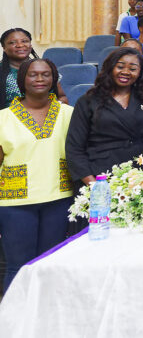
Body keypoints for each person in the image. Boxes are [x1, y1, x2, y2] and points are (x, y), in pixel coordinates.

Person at [0, 58, 74, 291]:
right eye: (33, 74)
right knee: (19, 267)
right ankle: (13, 325)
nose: (40, 79)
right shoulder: (3, 117)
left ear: (54, 79)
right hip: (15, 202)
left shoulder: (69, 114)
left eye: (46, 74)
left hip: (59, 198)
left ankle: (46, 323)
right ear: (22, 80)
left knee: (50, 265)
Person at [65, 48, 143, 186]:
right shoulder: (89, 100)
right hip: (98, 176)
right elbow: (74, 148)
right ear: (110, 68)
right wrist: (93, 184)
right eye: (120, 66)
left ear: (140, 73)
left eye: (133, 69)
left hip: (136, 178)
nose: (125, 72)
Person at [2, 28, 67, 108]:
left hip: (47, 116)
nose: (20, 45)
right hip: (8, 118)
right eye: (12, 42)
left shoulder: (45, 68)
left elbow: (62, 97)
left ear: (30, 45)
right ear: (4, 47)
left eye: (24, 41)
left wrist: (54, 108)